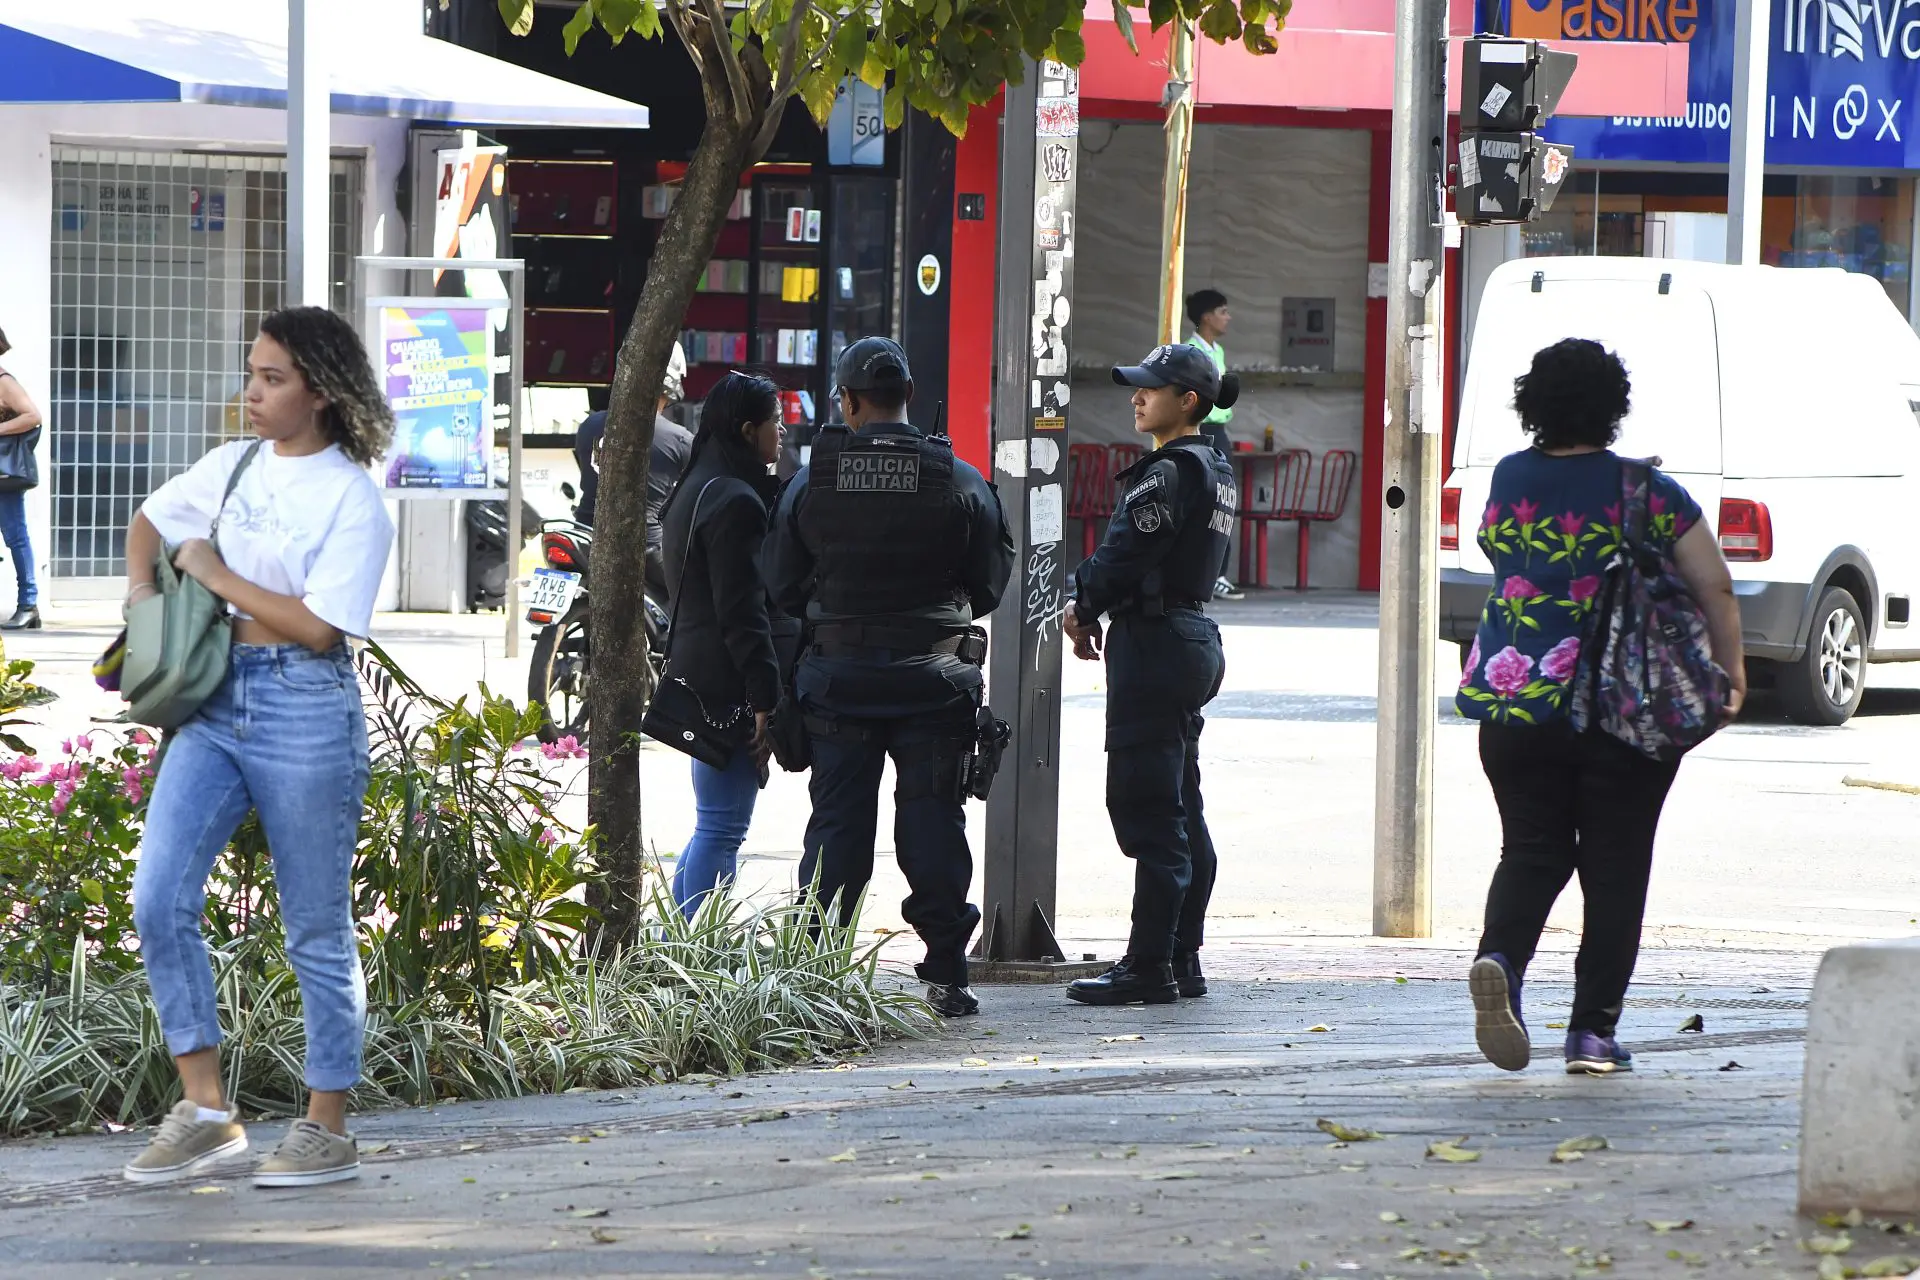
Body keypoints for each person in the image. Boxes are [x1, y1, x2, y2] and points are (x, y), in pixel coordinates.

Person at [121, 306, 396, 1187]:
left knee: (315, 924)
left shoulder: (351, 497)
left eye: (273, 378)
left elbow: (319, 629)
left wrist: (214, 575)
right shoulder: (230, 466)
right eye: (252, 372)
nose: (253, 391)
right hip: (211, 701)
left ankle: (326, 1127)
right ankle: (207, 1111)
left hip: (303, 706)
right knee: (158, 895)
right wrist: (140, 605)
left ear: (320, 391)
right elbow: (150, 523)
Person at [1458, 338, 1744, 1076]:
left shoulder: (1507, 476)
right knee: (1615, 868)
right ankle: (1591, 1035)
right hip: (1620, 712)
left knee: (1530, 849)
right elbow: (1713, 585)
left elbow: (1505, 555)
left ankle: (1501, 961)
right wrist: (1732, 671)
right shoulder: (1647, 491)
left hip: (1514, 702)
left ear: (1534, 404)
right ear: (1614, 407)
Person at [762, 337, 1015, 1018]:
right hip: (935, 681)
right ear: (908, 394)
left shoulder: (811, 481)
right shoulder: (956, 476)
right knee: (933, 821)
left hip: (839, 680)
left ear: (847, 400)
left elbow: (782, 585)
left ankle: (817, 970)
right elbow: (990, 581)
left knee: (839, 823)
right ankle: (945, 969)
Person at [1061, 344, 1237, 1006]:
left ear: (1186, 401)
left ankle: (1147, 967)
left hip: (1156, 643)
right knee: (1182, 805)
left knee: (1151, 810)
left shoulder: (1170, 472)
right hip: (1186, 636)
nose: (1136, 398)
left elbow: (1125, 551)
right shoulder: (1214, 467)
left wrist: (1084, 604)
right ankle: (1180, 958)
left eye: (1149, 389)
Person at [658, 371, 785, 918]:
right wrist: (764, 700)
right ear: (746, 429)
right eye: (774, 423)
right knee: (723, 825)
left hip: (693, 673)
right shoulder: (736, 500)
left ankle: (672, 949)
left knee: (711, 818)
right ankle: (690, 953)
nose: (781, 432)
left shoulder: (695, 485)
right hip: (727, 683)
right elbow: (743, 614)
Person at [575, 341, 690, 598]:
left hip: (583, 533)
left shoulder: (588, 426)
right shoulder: (679, 440)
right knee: (697, 586)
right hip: (645, 546)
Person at [1185, 289, 1244, 602]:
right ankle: (1209, 573)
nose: (1227, 317)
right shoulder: (1193, 351)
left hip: (1219, 429)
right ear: (1206, 316)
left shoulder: (1216, 350)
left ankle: (1219, 571)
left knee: (1225, 498)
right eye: (1222, 311)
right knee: (1206, 499)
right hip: (1203, 427)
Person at [0, 328, 43, 629]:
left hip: (4, 476)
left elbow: (32, 415)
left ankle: (28, 605)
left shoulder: (4, 382)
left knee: (16, 536)